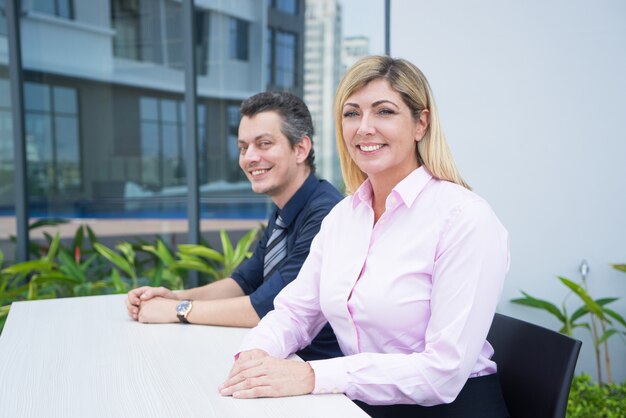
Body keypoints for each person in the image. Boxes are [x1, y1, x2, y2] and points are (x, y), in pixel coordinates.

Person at [219, 56, 510, 418]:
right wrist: (254, 356)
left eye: (384, 112)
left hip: (450, 408)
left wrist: (311, 375)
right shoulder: (343, 217)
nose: (363, 128)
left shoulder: (464, 218)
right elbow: (296, 313)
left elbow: (442, 374)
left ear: (421, 123)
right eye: (352, 113)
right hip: (360, 402)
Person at [126, 91, 344, 361]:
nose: (249, 157)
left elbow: (265, 306)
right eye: (243, 147)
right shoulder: (285, 209)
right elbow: (243, 282)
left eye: (264, 143)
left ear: (300, 149)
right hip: (281, 358)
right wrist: (172, 297)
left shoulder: (326, 213)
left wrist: (178, 310)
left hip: (320, 375)